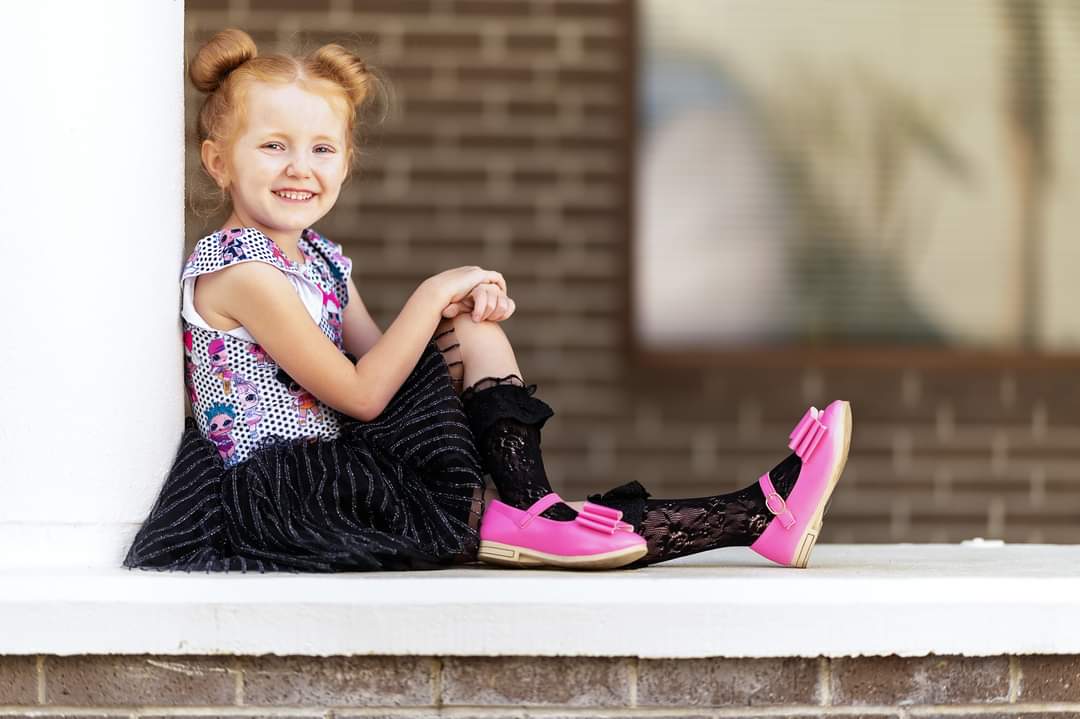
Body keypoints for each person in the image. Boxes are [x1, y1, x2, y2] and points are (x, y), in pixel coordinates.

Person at [123, 28, 853, 574]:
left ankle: (548, 507)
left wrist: (451, 315)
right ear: (220, 162)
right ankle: (747, 512)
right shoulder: (240, 273)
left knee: (473, 335)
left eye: (321, 149)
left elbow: (386, 361)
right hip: (295, 488)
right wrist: (432, 290)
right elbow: (363, 392)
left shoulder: (316, 259)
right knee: (521, 511)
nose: (300, 168)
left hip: (344, 453)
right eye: (273, 147)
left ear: (347, 161)